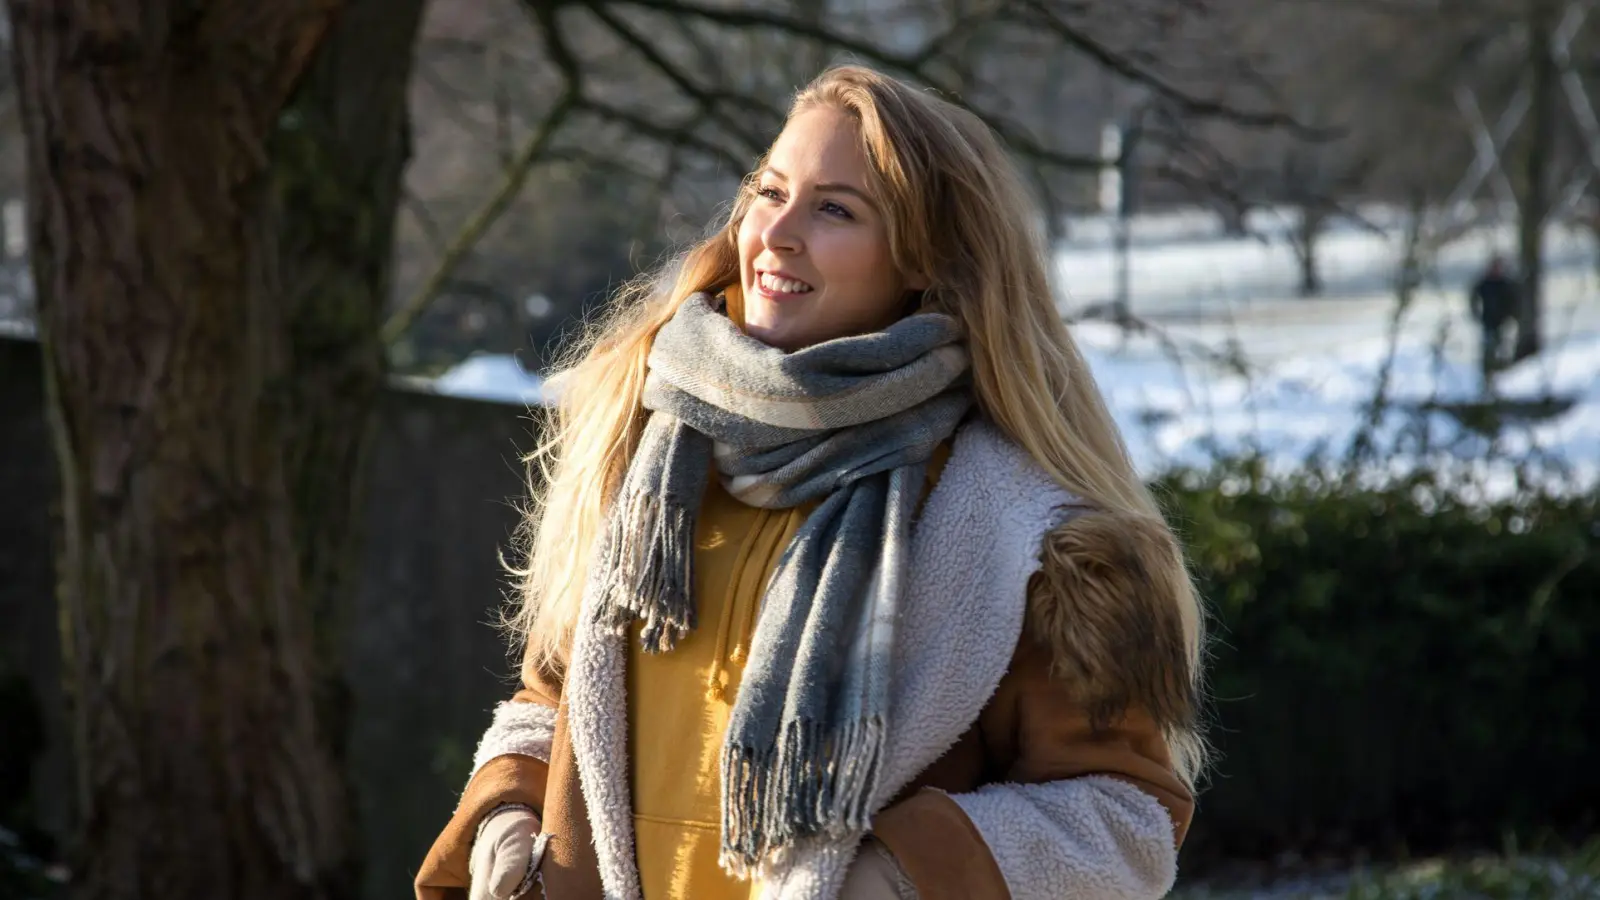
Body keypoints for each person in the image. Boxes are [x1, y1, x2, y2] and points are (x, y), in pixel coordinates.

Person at [415, 65, 1206, 900]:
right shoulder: (642, 450)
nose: (778, 233)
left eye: (835, 209)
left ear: (925, 260)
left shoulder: (1025, 534)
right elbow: (561, 700)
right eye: (769, 191)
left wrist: (900, 878)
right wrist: (507, 815)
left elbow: (1122, 822)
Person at [1468, 255, 1518, 381]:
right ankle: (1487, 373)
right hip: (1488, 321)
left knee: (1503, 349)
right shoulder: (1485, 283)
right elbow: (1474, 297)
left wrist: (1511, 315)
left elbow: (1513, 301)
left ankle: (1501, 374)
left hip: (1502, 322)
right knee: (1489, 348)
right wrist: (1476, 314)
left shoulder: (1505, 284)